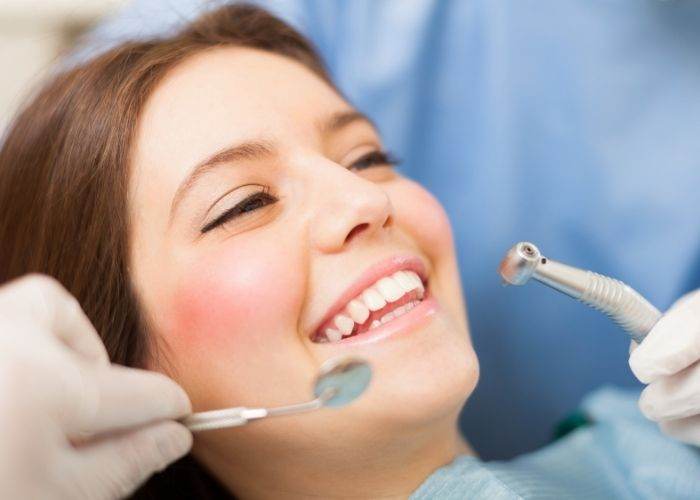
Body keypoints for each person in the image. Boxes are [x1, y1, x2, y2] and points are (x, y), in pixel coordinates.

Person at [1, 4, 700, 498]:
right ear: (113, 366)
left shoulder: (661, 457)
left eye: (368, 157)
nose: (365, 202)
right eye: (245, 203)